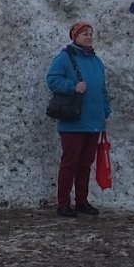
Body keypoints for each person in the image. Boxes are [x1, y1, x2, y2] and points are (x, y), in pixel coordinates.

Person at [46, 21, 110, 218]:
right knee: (70, 164)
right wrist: (72, 86)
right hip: (73, 122)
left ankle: (82, 201)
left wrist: (105, 110)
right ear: (75, 37)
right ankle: (63, 204)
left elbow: (102, 89)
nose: (89, 37)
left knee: (85, 164)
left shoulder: (97, 61)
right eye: (84, 34)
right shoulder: (65, 58)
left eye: (90, 33)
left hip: (94, 122)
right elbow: (52, 79)